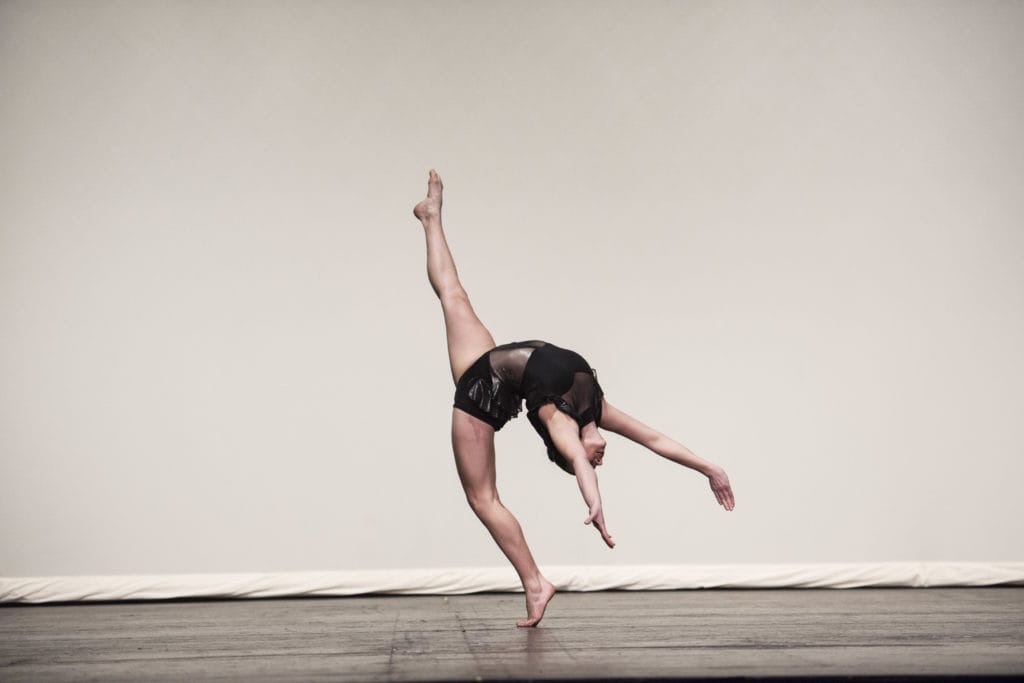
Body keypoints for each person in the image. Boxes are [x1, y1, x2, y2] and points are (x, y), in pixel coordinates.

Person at [413, 169, 735, 627]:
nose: (599, 459)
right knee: (452, 294)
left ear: (566, 448)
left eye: (591, 462)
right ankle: (432, 217)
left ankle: (534, 583)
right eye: (599, 462)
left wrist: (594, 500)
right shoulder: (595, 408)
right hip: (494, 366)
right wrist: (709, 468)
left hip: (481, 392)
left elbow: (579, 461)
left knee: (483, 498)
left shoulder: (561, 421)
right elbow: (655, 439)